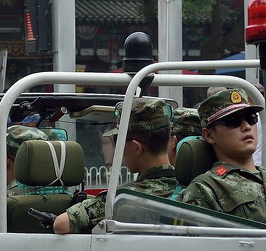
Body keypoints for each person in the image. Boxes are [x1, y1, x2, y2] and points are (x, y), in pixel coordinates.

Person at [180, 89, 266, 228]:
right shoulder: (205, 189)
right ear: (209, 135)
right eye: (233, 121)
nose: (247, 126)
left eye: (251, 118)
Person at [53, 98, 177, 234]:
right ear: (171, 141)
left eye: (118, 140)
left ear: (137, 148)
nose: (118, 148)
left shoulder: (121, 199)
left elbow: (61, 224)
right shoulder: (192, 188)